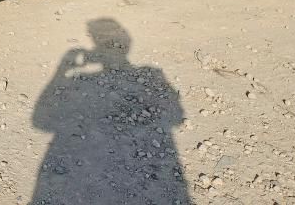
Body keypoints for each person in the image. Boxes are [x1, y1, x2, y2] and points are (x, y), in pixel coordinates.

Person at [32, 18, 190, 204]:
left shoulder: (82, 80)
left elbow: (40, 122)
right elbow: (177, 117)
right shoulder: (152, 74)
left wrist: (62, 70)